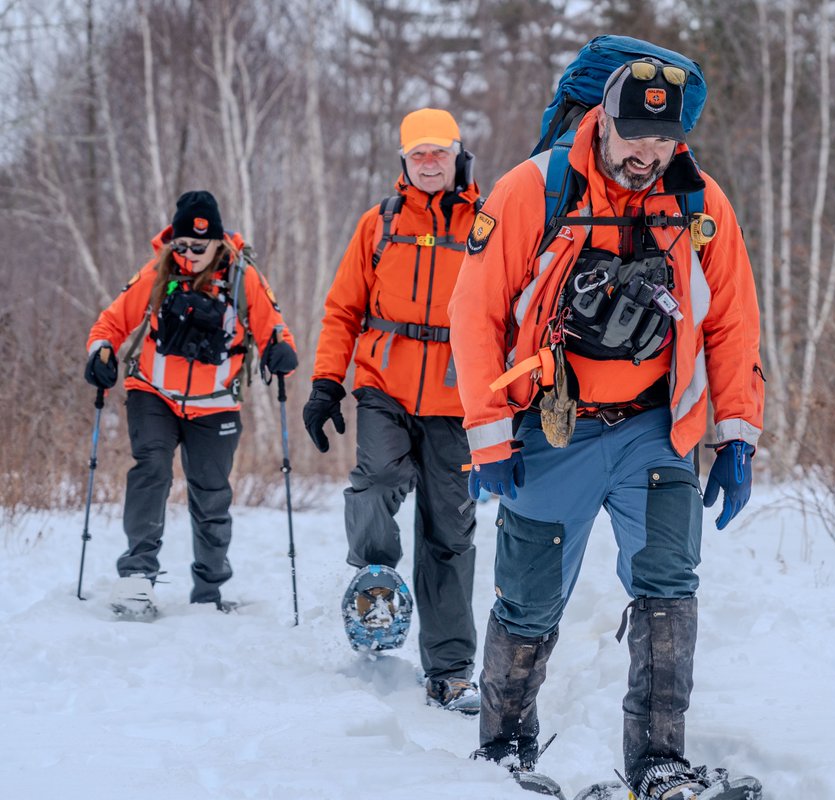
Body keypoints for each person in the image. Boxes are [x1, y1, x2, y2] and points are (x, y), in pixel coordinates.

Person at [448, 58, 765, 799]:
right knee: (527, 597)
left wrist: (738, 433)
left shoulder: (698, 200)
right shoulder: (534, 188)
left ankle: (658, 761)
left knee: (668, 584)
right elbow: (475, 312)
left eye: (664, 139)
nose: (645, 154)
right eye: (633, 135)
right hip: (553, 429)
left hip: (655, 427)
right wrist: (489, 434)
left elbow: (731, 323)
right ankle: (503, 751)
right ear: (602, 119)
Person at [304, 108, 483, 714]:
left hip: (459, 402)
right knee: (378, 476)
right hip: (385, 385)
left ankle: (452, 670)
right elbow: (342, 310)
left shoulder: (488, 225)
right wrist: (327, 383)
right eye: (418, 154)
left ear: (459, 155)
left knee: (449, 534)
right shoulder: (377, 225)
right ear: (403, 162)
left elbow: (514, 313)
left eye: (439, 152)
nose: (429, 163)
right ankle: (375, 580)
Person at [85, 190, 298, 616]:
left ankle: (209, 591)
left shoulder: (242, 278)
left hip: (216, 405)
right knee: (151, 470)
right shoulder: (157, 273)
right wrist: (101, 352)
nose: (189, 253)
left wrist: (283, 354)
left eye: (199, 246)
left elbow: (276, 329)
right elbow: (110, 323)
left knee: (211, 495)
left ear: (218, 241)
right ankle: (137, 578)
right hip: (153, 394)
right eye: (181, 245)